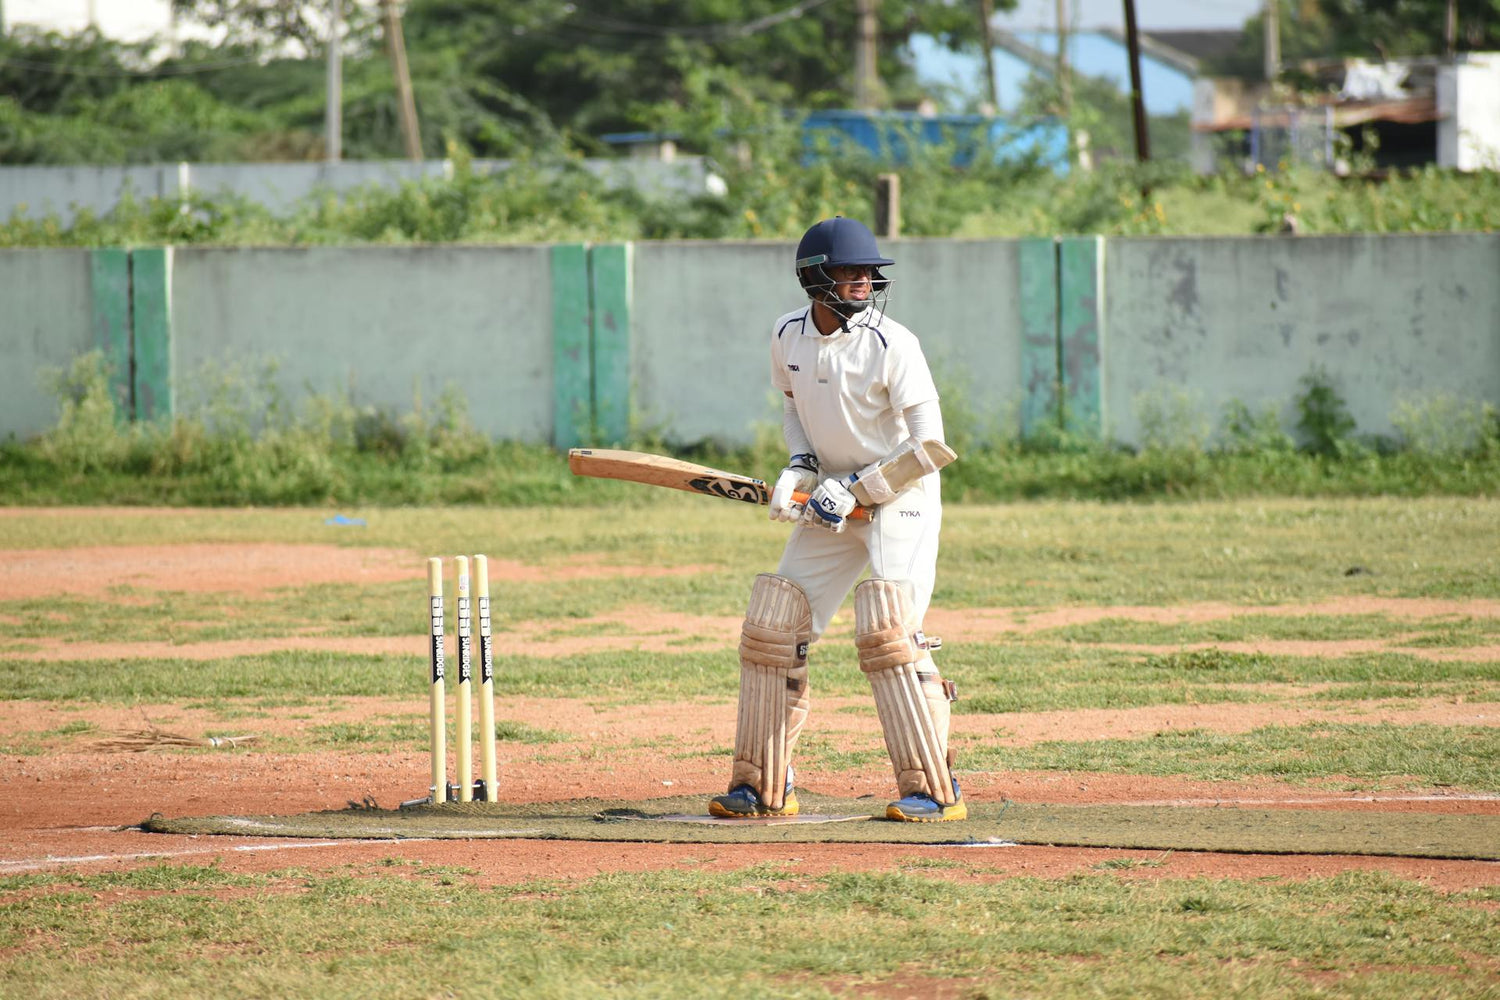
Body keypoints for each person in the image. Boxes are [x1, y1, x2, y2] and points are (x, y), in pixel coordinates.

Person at [709, 216, 964, 823]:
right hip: (830, 503)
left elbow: (931, 447)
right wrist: (800, 469)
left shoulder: (892, 344)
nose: (863, 282)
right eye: (848, 272)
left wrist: (858, 486)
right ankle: (762, 784)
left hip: (899, 500)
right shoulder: (787, 334)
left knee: (890, 633)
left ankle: (934, 788)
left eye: (868, 273)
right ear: (813, 276)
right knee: (775, 626)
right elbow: (793, 405)